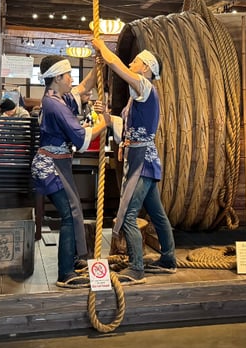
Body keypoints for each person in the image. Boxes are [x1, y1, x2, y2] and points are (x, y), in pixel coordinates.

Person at [92, 38, 177, 285]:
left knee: (128, 214)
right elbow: (127, 127)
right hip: (142, 159)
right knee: (157, 213)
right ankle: (168, 258)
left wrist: (103, 49)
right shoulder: (138, 95)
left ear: (147, 69)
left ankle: (136, 267)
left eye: (136, 61)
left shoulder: (145, 86)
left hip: (142, 161)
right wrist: (108, 118)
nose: (131, 63)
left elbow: (117, 64)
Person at [31, 55, 110, 289]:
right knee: (68, 215)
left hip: (58, 164)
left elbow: (86, 86)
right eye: (67, 76)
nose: (71, 79)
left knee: (74, 213)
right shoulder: (56, 106)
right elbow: (82, 138)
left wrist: (100, 65)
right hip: (51, 166)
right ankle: (65, 273)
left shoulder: (58, 98)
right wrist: (104, 122)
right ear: (57, 78)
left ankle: (75, 261)